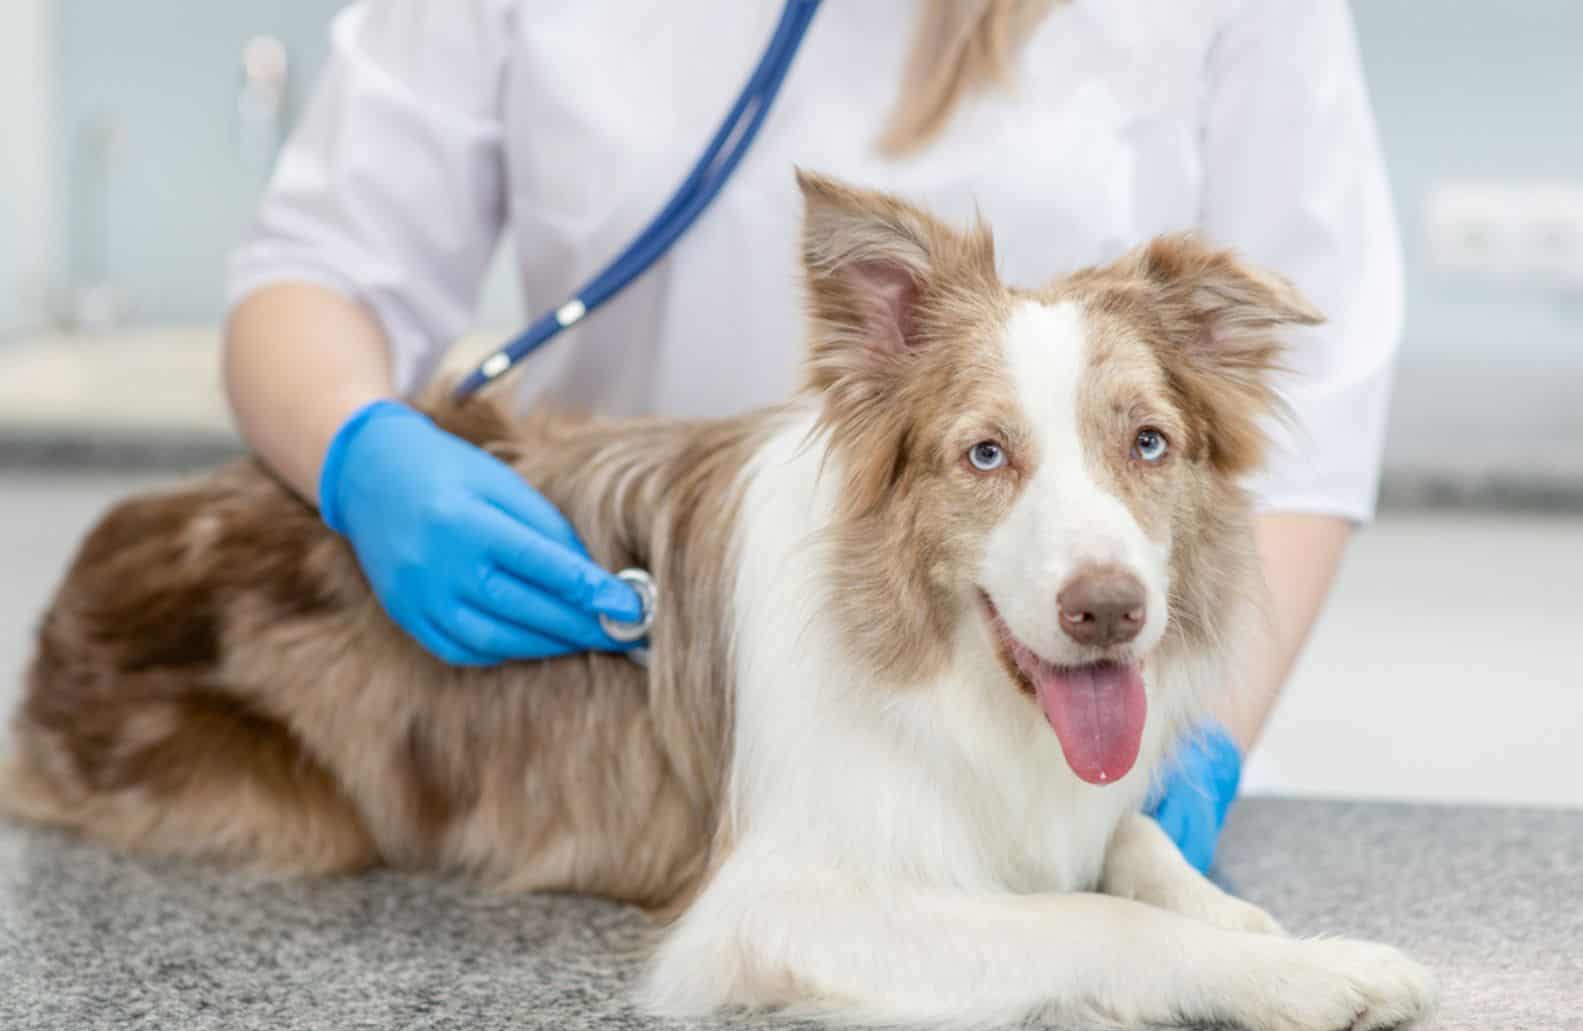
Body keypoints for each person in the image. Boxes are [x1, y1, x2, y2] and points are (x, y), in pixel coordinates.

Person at [223, 0, 1401, 874]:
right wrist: (358, 449)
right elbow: (316, 270)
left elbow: (1320, 393)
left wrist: (1200, 746)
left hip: (1083, 715)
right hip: (645, 678)